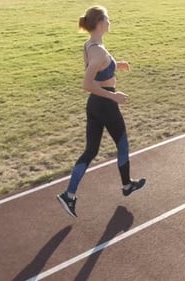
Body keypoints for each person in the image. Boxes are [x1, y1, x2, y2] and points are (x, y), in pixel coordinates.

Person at [57, 6, 146, 218]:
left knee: (91, 151)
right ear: (99, 23)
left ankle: (69, 195)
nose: (110, 21)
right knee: (122, 144)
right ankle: (126, 185)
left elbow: (99, 70)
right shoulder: (99, 51)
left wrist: (117, 65)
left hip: (94, 105)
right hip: (105, 104)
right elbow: (87, 84)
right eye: (108, 18)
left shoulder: (90, 45)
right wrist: (114, 97)